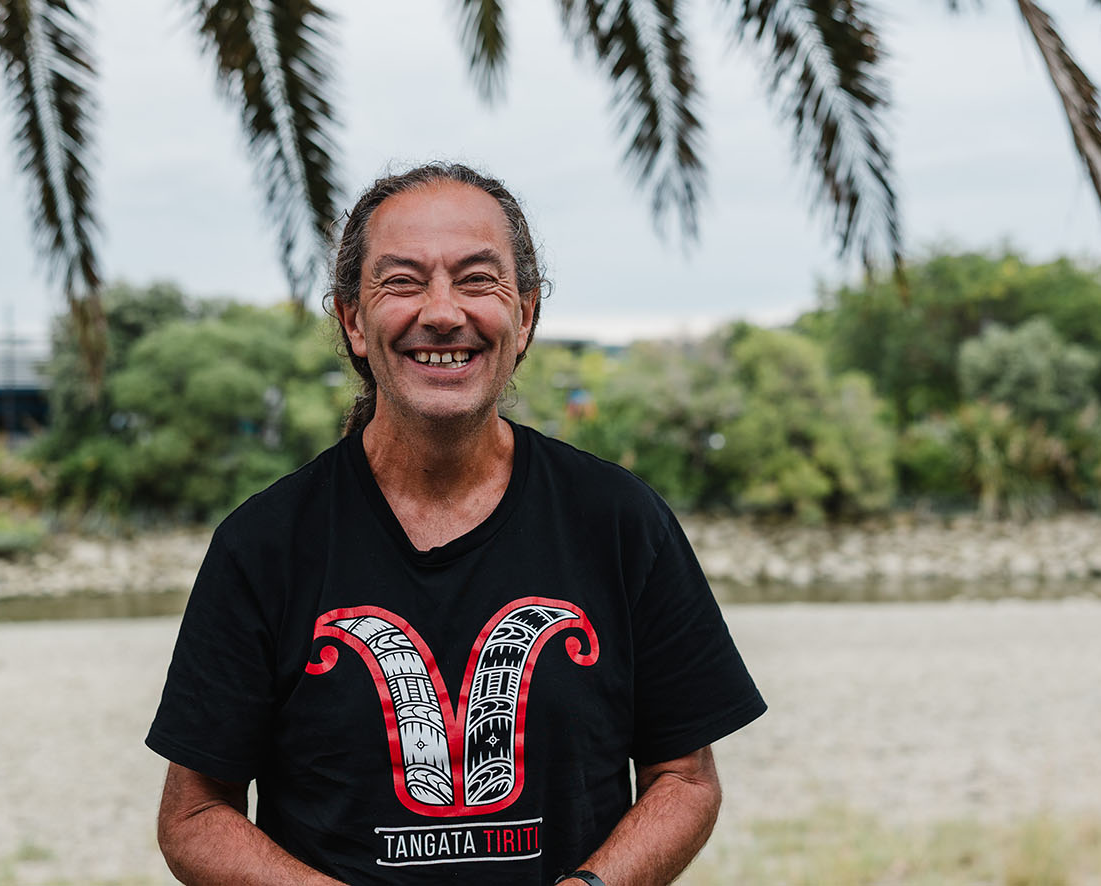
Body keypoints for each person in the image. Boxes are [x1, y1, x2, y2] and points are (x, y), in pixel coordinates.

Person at [146, 162, 766, 886]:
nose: (442, 313)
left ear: (525, 315)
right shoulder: (263, 544)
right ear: (353, 320)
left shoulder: (620, 521)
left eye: (476, 280)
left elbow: (685, 780)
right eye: (402, 281)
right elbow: (194, 816)